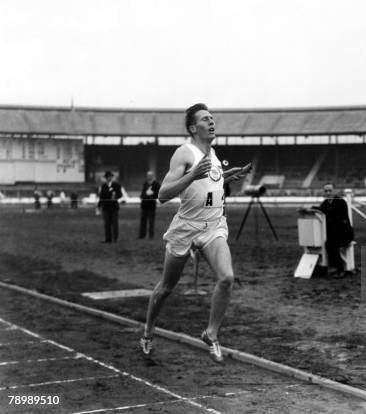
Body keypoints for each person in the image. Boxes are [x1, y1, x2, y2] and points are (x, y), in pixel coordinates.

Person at [140, 103, 252, 363]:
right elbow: (163, 194)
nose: (212, 122)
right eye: (205, 119)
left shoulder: (212, 154)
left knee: (226, 278)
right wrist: (190, 177)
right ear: (193, 128)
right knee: (166, 287)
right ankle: (147, 332)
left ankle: (211, 334)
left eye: (212, 118)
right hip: (186, 228)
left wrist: (225, 177)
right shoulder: (184, 153)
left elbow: (208, 182)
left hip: (213, 225)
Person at [313, 183, 354, 277]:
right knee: (328, 242)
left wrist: (314, 208)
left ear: (334, 191)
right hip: (333, 233)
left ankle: (340, 269)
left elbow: (331, 211)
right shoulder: (325, 203)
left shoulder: (341, 202)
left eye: (330, 190)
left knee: (331, 244)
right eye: (326, 191)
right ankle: (329, 267)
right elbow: (324, 210)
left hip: (344, 233)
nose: (328, 193)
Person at [97, 171, 126, 243]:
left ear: (111, 177)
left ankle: (115, 239)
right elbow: (101, 197)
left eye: (110, 176)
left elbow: (120, 194)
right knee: (107, 224)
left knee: (115, 224)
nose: (108, 178)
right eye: (107, 177)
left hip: (114, 208)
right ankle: (108, 239)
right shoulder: (103, 186)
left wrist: (115, 196)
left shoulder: (116, 185)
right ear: (106, 178)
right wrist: (98, 206)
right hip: (106, 208)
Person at [139, 171, 161, 239]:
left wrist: (152, 194)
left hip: (151, 205)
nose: (149, 176)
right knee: (143, 221)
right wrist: (144, 195)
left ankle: (151, 236)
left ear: (153, 176)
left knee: (151, 221)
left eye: (150, 175)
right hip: (144, 205)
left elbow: (159, 194)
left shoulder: (156, 184)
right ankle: (142, 235)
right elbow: (142, 193)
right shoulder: (145, 183)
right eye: (148, 175)